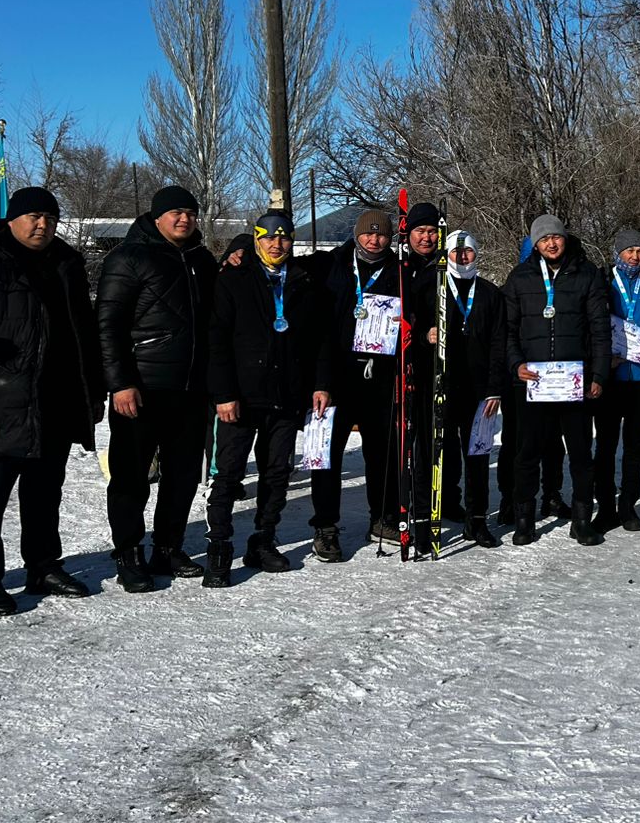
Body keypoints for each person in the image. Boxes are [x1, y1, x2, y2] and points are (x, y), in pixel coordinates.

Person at [0, 187, 105, 615]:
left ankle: (43, 567)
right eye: (34, 216)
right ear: (12, 219)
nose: (42, 224)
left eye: (50, 217)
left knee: (44, 494)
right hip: (0, 407)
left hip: (55, 403)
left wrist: (91, 394)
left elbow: (82, 335)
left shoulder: (66, 265)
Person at [95, 185, 219, 591]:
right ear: (157, 216)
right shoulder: (128, 257)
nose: (184, 219)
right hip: (142, 387)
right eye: (175, 213)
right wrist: (121, 383)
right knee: (131, 476)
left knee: (183, 475)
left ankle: (168, 547)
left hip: (190, 388)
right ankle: (128, 553)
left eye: (190, 212)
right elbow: (108, 325)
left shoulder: (202, 259)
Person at [204, 210, 332, 586]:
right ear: (255, 239)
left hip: (286, 394)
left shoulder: (307, 281)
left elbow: (320, 340)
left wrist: (321, 383)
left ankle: (262, 540)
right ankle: (219, 546)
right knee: (227, 473)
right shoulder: (233, 278)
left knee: (277, 473)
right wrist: (224, 394)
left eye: (284, 238)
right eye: (268, 238)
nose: (276, 245)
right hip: (241, 397)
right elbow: (217, 340)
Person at [299, 209, 409, 560]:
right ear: (357, 234)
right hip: (335, 377)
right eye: (368, 234)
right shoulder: (330, 263)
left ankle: (383, 517)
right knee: (327, 457)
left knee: (382, 454)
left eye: (381, 235)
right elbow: (279, 258)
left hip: (379, 377)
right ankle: (326, 527)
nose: (374, 240)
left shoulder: (399, 272)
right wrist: (239, 247)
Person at [503, 214, 610, 546]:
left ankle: (581, 520)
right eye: (544, 239)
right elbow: (507, 331)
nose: (551, 244)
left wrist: (599, 374)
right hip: (533, 381)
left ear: (565, 239)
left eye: (556, 238)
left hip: (573, 381)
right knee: (527, 453)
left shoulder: (586, 274)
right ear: (535, 244)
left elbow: (600, 330)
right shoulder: (519, 278)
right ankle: (524, 520)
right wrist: (516, 364)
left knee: (579, 452)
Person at [420, 229, 507, 548]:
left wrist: (495, 388)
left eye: (468, 251)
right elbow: (412, 325)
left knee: (478, 454)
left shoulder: (489, 293)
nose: (462, 257)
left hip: (479, 389)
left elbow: (500, 342)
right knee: (439, 453)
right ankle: (435, 513)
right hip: (443, 384)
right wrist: (424, 335)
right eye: (456, 252)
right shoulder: (434, 287)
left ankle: (477, 519)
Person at [596, 228, 640, 532]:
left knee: (634, 443)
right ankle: (605, 507)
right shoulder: (603, 281)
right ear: (617, 253)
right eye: (629, 251)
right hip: (609, 376)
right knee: (606, 444)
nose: (635, 257)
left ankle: (628, 506)